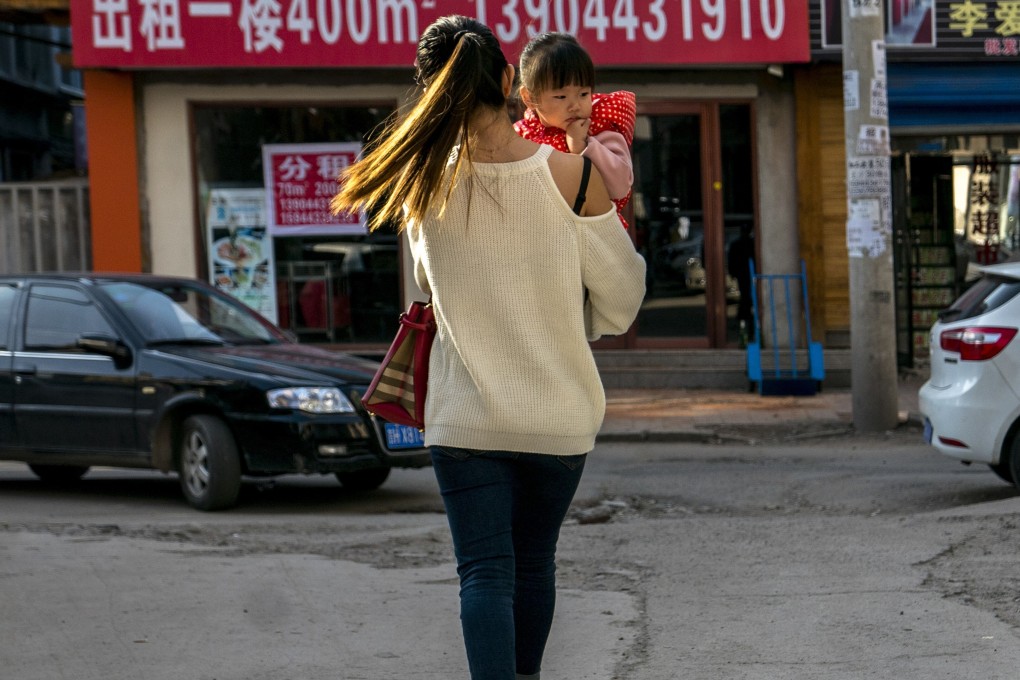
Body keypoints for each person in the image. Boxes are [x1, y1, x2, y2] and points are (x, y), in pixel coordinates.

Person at [330, 15, 645, 680]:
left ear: (431, 94)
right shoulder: (575, 176)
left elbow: (427, 287)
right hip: (557, 418)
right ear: (509, 80)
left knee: (484, 573)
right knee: (533, 563)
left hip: (463, 416)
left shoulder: (421, 189)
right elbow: (620, 305)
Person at [514, 32, 636, 229]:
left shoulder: (600, 128)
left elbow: (620, 187)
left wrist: (584, 146)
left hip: (593, 236)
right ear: (529, 97)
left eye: (583, 94)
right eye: (561, 97)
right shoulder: (520, 136)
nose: (575, 105)